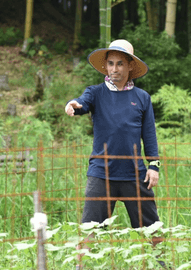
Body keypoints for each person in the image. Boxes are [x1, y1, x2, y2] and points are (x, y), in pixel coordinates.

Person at [65, 39, 163, 267]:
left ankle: (163, 264)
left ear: (130, 67)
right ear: (105, 66)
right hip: (101, 174)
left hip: (135, 175)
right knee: (89, 230)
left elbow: (149, 136)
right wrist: (74, 104)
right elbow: (83, 102)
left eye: (120, 64)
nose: (114, 69)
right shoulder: (96, 93)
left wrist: (154, 166)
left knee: (152, 230)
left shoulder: (142, 98)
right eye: (110, 63)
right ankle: (82, 266)